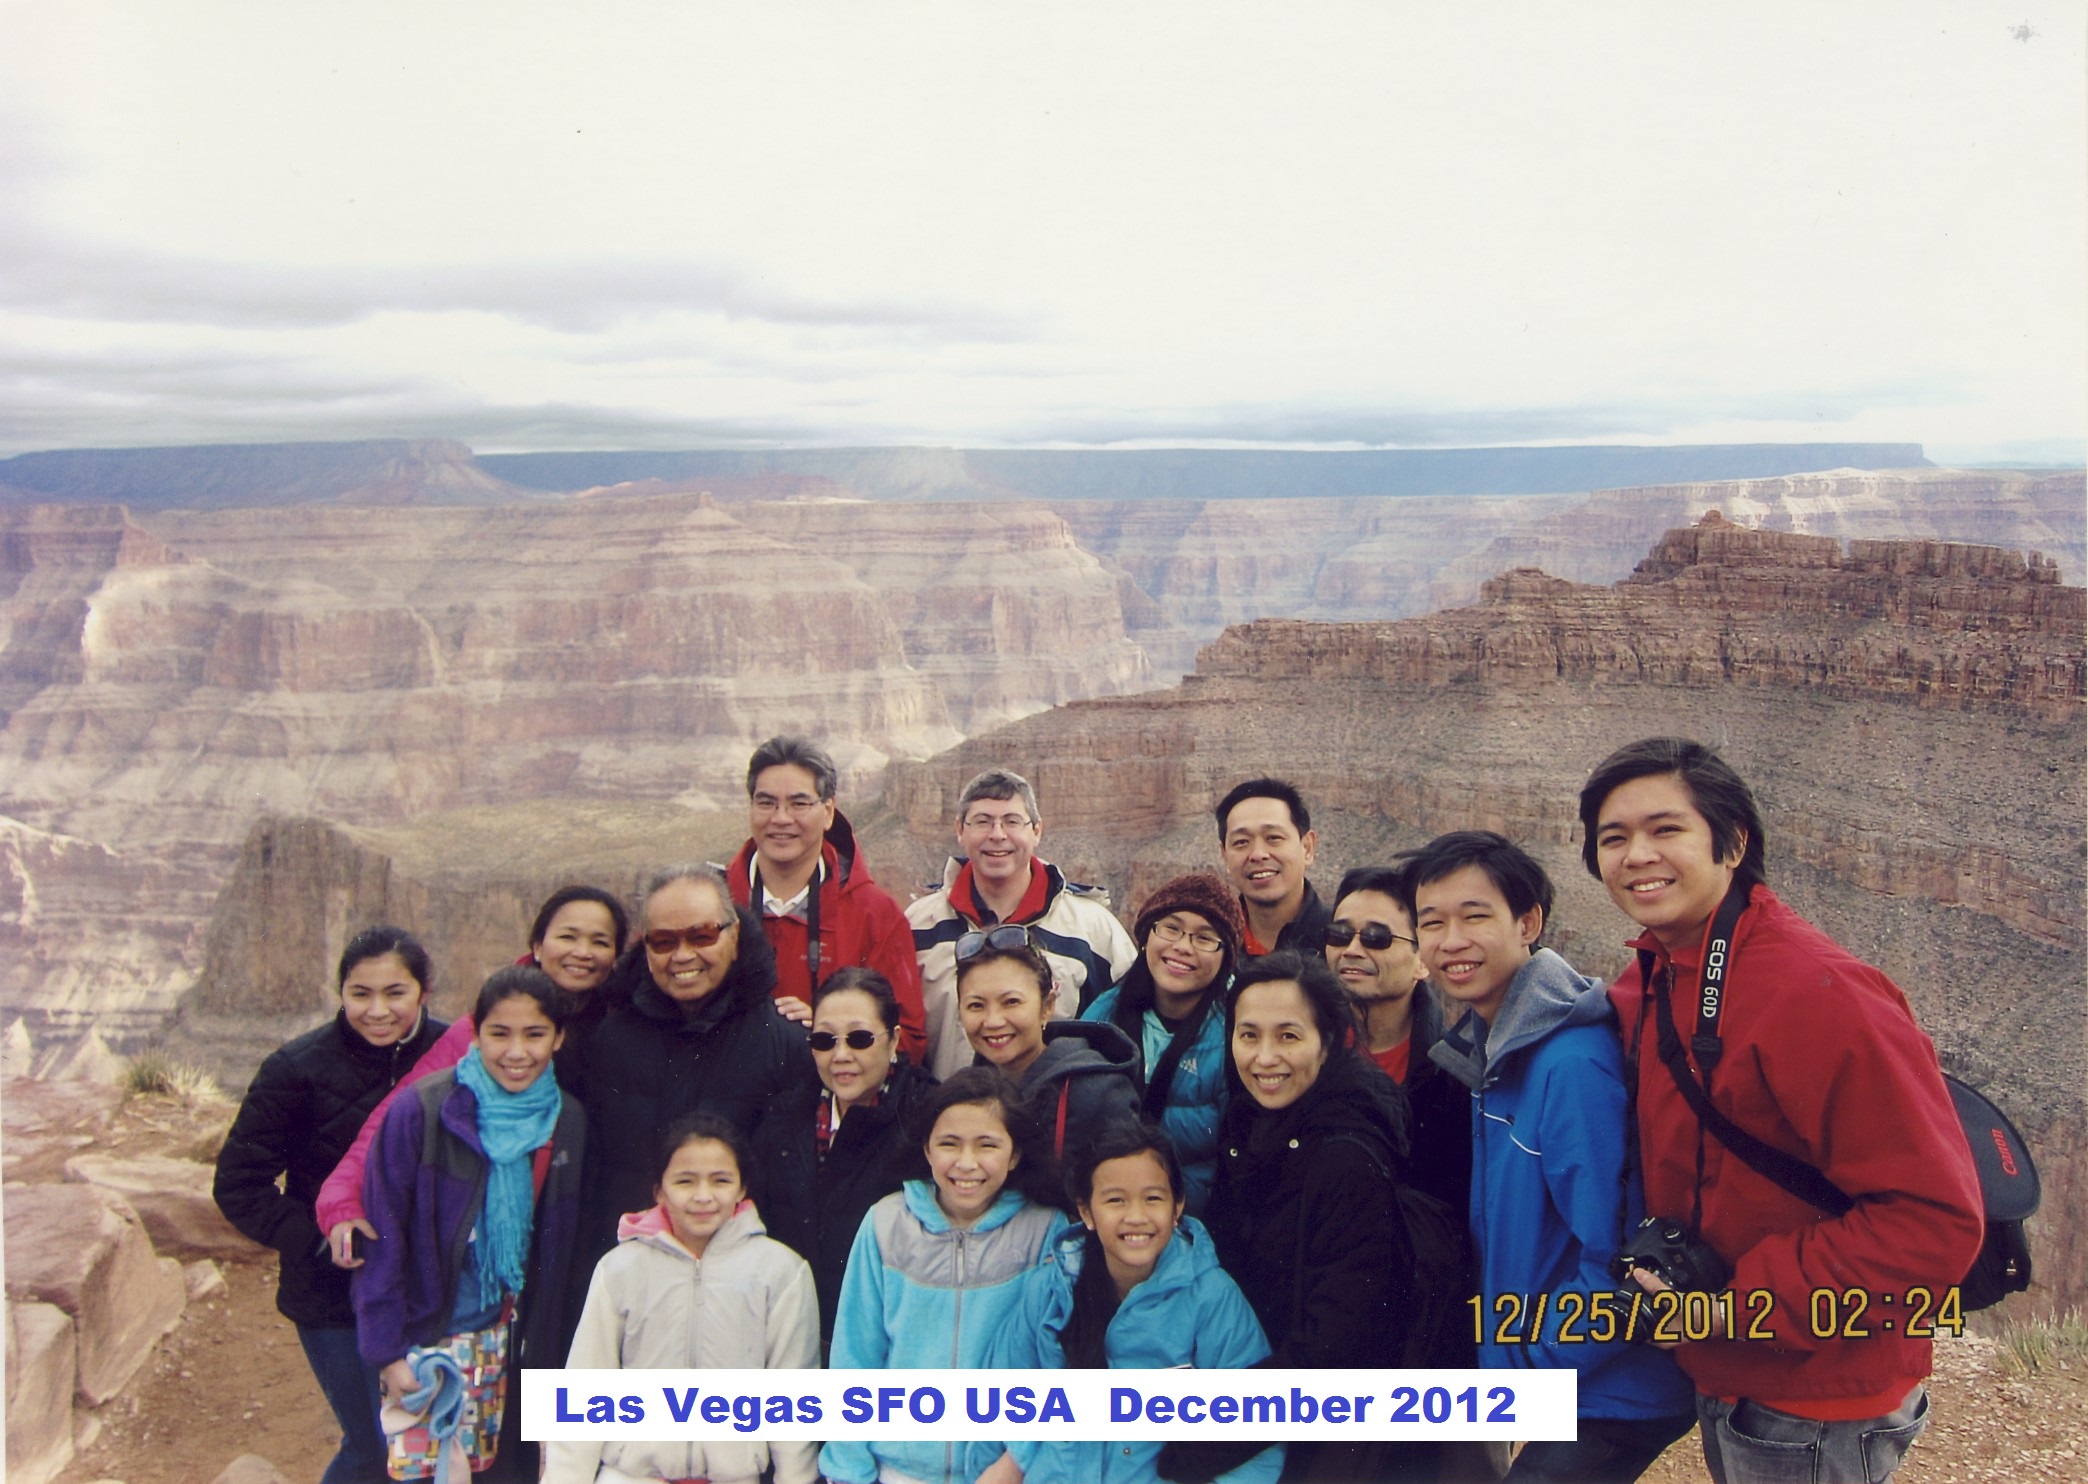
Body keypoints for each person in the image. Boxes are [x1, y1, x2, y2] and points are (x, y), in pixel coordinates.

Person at [1580, 739, 1984, 1484]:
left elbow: (1934, 1220)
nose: (1637, 855)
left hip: (1814, 1398)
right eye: (1613, 838)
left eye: (1666, 830)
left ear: (1733, 844)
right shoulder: (1662, 974)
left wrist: (1736, 1309)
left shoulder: (1816, 992)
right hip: (1733, 1369)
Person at [1404, 830, 1694, 1483]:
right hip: (1571, 1376)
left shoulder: (1569, 1063)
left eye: (1475, 916)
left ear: (1528, 922)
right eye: (1432, 922)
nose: (1451, 941)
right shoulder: (1497, 1048)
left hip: (1610, 1390)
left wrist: (1529, 1367)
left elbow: (1618, 1261)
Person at [212, 925, 448, 1484]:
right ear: (340, 992)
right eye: (360, 993)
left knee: (424, 1440)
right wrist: (320, 1242)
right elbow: (239, 1184)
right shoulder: (296, 1069)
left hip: (428, 1288)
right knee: (373, 1444)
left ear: (423, 991)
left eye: (395, 993)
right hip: (331, 1296)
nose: (377, 1010)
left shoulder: (453, 1056)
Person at [1189, 951, 1430, 1484]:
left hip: (1317, 1435)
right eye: (1248, 1035)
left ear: (1327, 1041)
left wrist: (1201, 1443)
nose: (1265, 1057)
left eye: (1288, 1036)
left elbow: (1335, 1348)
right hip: (1255, 1401)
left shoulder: (1346, 1159)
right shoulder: (1248, 1122)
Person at [315, 883, 630, 1268]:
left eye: (600, 941)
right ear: (537, 945)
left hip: (584, 1223)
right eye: (568, 936)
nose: (582, 952)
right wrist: (342, 1199)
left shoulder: (625, 1029)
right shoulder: (482, 1029)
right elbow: (398, 1116)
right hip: (488, 1228)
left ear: (616, 956)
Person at [354, 966, 585, 1483]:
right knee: (426, 1471)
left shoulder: (567, 1120)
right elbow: (383, 1241)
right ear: (475, 1033)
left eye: (535, 1034)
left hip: (511, 1342)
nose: (516, 1052)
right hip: (428, 1340)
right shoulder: (424, 1110)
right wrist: (387, 1353)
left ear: (559, 1038)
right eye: (499, 1034)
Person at [987, 1121, 1282, 1484]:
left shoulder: (1210, 1296)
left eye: (1153, 1198)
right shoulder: (1050, 1289)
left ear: (1178, 1206)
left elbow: (1255, 1435)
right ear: (1086, 1212)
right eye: (1115, 1200)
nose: (1137, 1217)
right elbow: (1003, 1395)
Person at [820, 1066, 1068, 1484]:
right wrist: (848, 1471)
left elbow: (1055, 1360)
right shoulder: (885, 1224)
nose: (966, 1163)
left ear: (1014, 1154)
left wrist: (1017, 1461)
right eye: (949, 1143)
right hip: (898, 1470)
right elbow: (855, 1356)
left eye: (987, 1145)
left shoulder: (1045, 1230)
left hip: (1003, 1471)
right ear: (927, 1149)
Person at [546, 1115, 820, 1484]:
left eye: (721, 1180)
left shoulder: (781, 1271)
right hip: (631, 1476)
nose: (703, 1196)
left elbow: (793, 1399)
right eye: (685, 1181)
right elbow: (585, 1384)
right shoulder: (620, 1268)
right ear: (659, 1190)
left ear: (742, 1188)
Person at [579, 865, 820, 1277]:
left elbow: (790, 1192)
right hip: (638, 1276)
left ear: (734, 936)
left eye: (702, 936)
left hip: (743, 1280)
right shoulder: (613, 1043)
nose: (682, 956)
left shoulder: (784, 1045)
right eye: (664, 941)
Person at [909, 766, 1137, 1076]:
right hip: (947, 1104)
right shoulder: (918, 925)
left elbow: (1130, 1030)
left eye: (1012, 821)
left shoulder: (1093, 931)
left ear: (1036, 831)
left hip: (1054, 1105)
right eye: (982, 821)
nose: (997, 834)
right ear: (960, 830)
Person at [726, 736, 928, 1062]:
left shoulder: (875, 915)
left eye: (799, 804)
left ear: (828, 812)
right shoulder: (712, 906)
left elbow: (907, 1039)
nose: (781, 818)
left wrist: (831, 1036)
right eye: (766, 803)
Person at [1081, 872, 1244, 1214]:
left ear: (1225, 956)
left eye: (1205, 938)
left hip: (1201, 1218)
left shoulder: (1238, 1030)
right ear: (1146, 936)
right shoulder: (1104, 1015)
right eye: (1171, 928)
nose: (1182, 947)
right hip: (1111, 1213)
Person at [1324, 866, 1471, 1215]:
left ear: (1423, 960)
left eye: (1377, 938)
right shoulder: (1303, 1055)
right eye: (1340, 935)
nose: (1352, 949)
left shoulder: (1455, 1077)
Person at [806, 966, 937, 1346]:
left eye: (860, 1039)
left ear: (894, 1040)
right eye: (824, 1040)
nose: (841, 1055)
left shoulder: (927, 1119)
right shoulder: (786, 1115)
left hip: (890, 1334)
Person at [956, 926, 1141, 1185]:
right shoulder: (965, 1094)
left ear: (1047, 1006)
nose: (993, 1021)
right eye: (976, 1005)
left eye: (1011, 1002)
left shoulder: (1097, 1093)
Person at [1215, 778, 1329, 958]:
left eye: (1273, 838)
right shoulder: (1212, 949)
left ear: (1307, 847)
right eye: (1241, 842)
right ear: (1225, 856)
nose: (1258, 854)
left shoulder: (1341, 944)